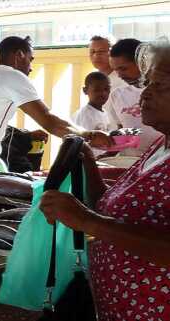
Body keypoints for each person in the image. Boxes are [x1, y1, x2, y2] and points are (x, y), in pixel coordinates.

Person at [39, 42, 170, 320]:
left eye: (160, 85)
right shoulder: (160, 145)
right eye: (148, 83)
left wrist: (86, 221)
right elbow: (111, 208)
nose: (145, 94)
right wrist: (87, 161)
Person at [0, 36, 110, 183]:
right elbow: (48, 120)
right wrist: (87, 135)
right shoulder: (10, 75)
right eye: (30, 59)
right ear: (19, 55)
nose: (31, 67)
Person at [106, 38, 161, 157]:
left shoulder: (165, 93)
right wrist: (108, 144)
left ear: (143, 62)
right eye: (116, 70)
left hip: (161, 164)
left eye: (123, 68)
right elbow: (130, 130)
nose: (120, 75)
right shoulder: (117, 95)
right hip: (130, 164)